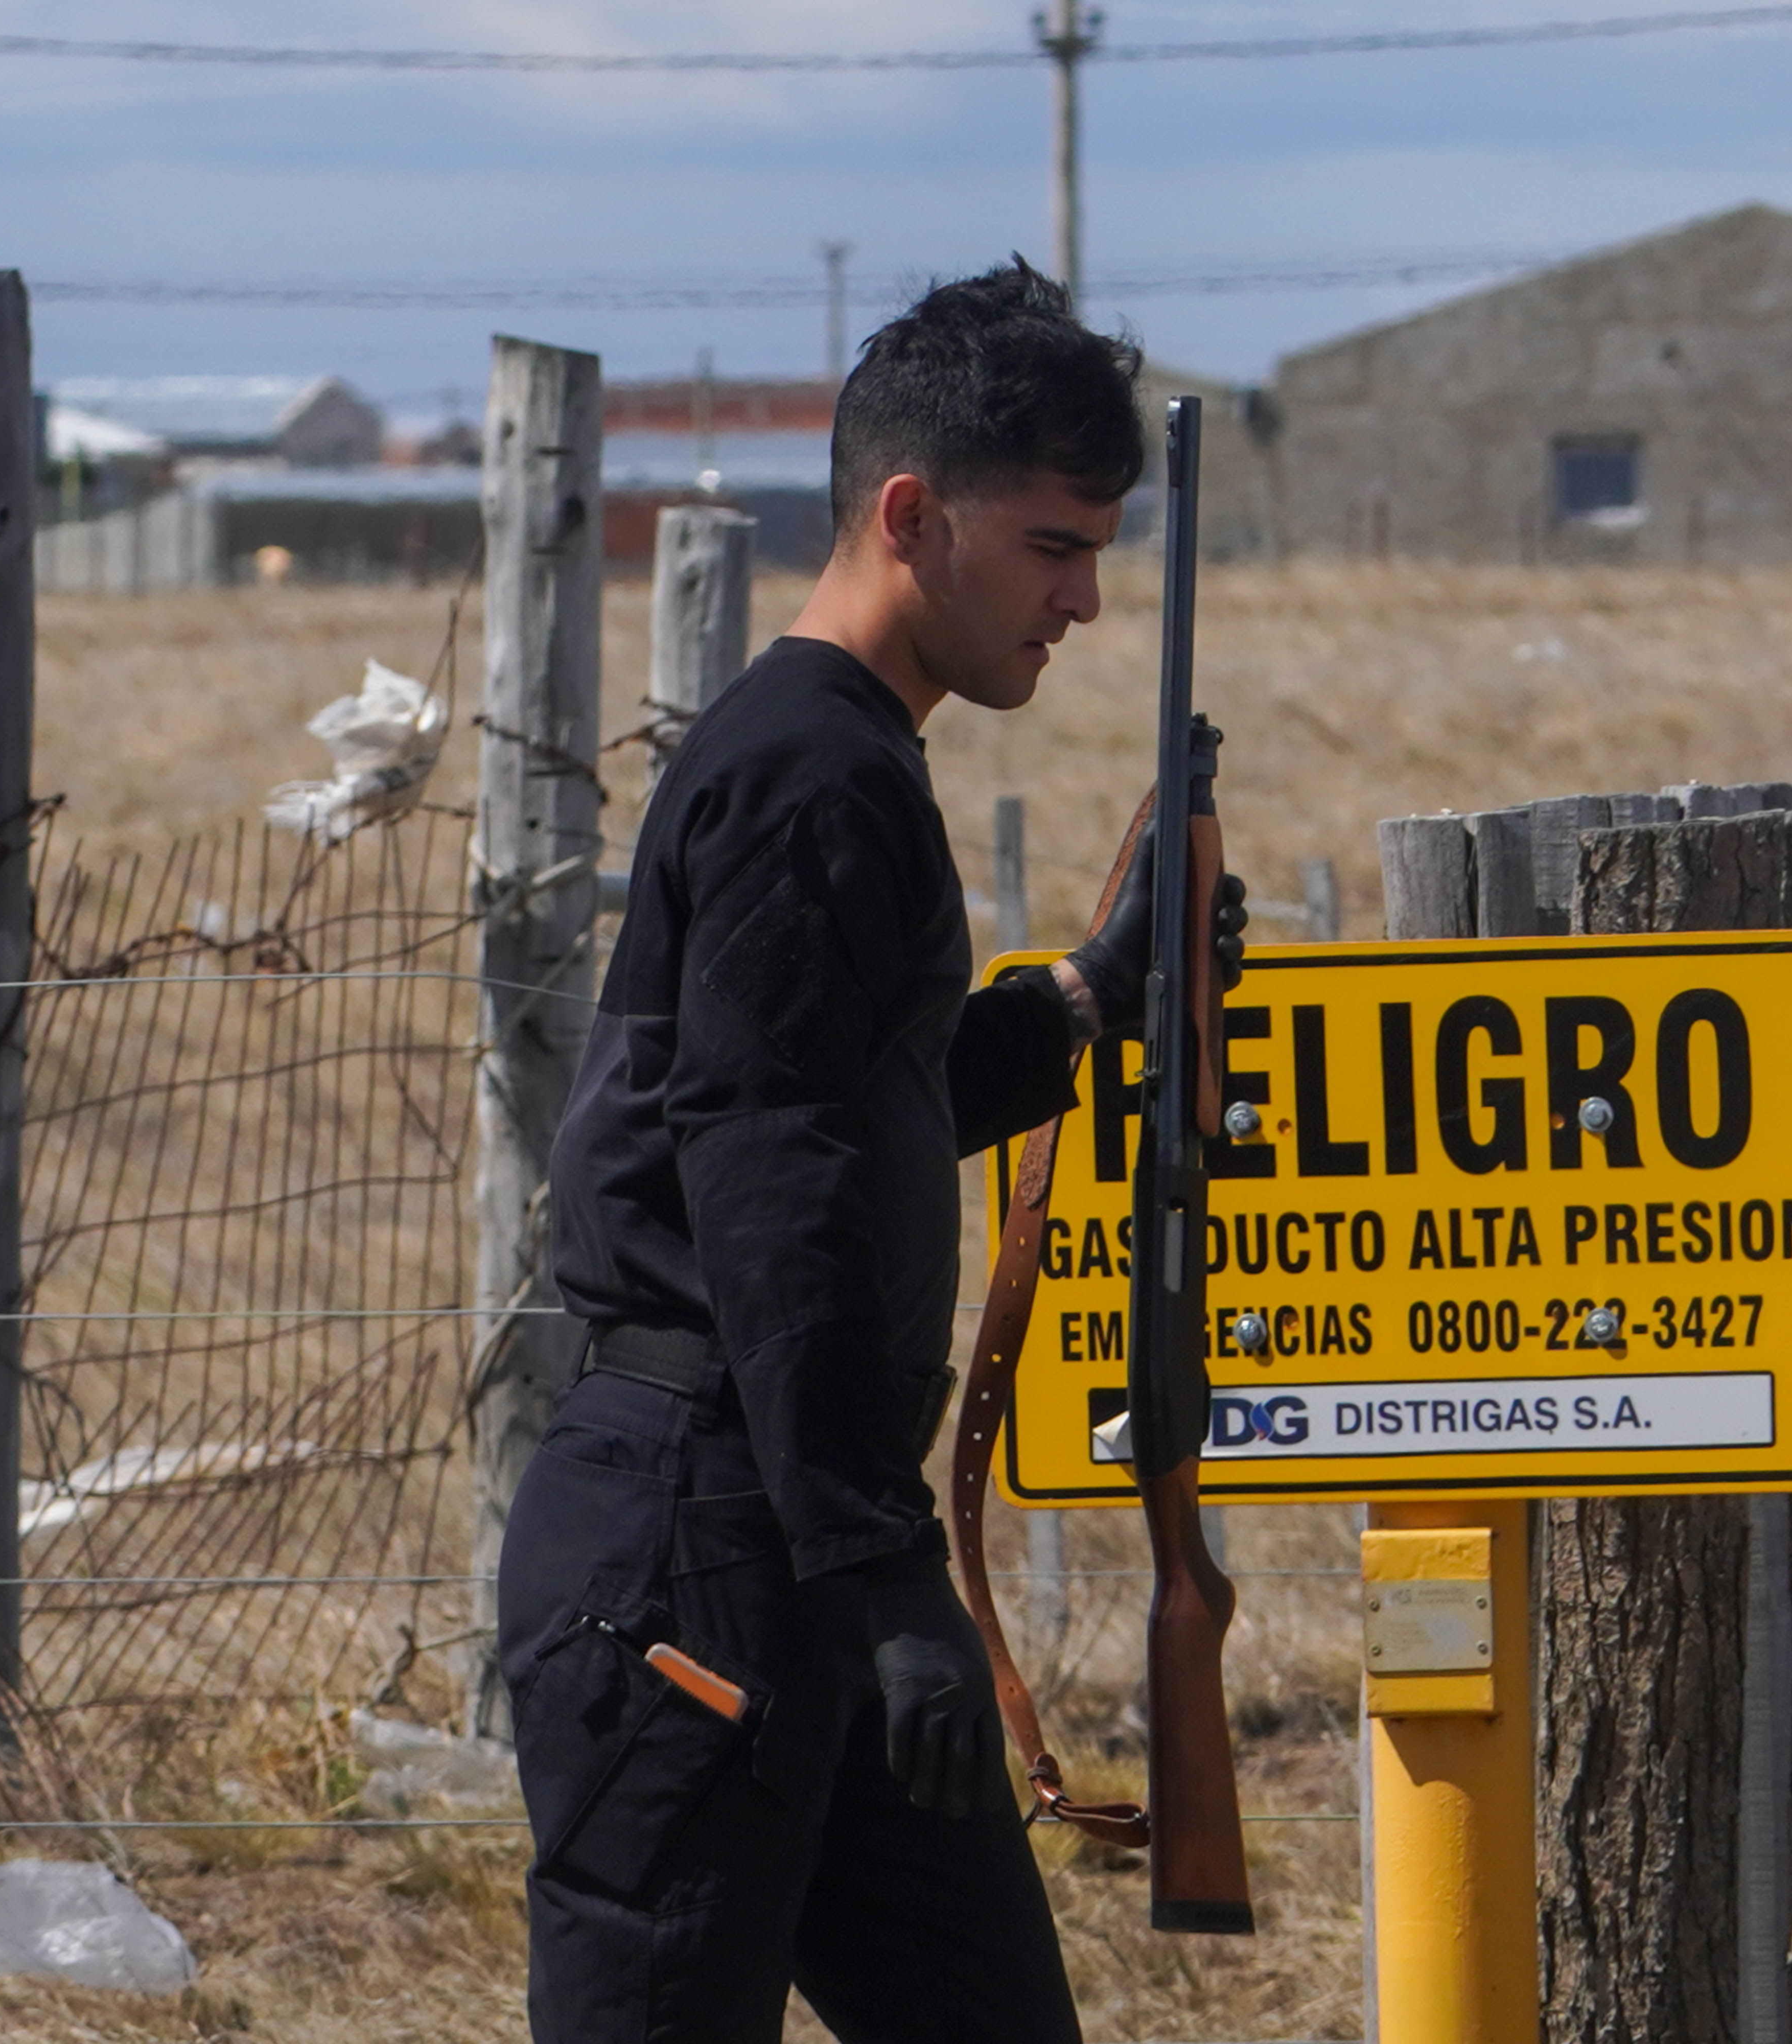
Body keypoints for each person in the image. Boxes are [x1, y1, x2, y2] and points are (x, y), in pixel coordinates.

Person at [498, 259, 1244, 2043]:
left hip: (780, 1520)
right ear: (912, 516)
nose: (1082, 601)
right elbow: (781, 1189)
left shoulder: (842, 760)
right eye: (1057, 545)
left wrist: (1084, 997)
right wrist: (887, 1579)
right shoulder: (815, 776)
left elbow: (848, 1096)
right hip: (709, 1542)